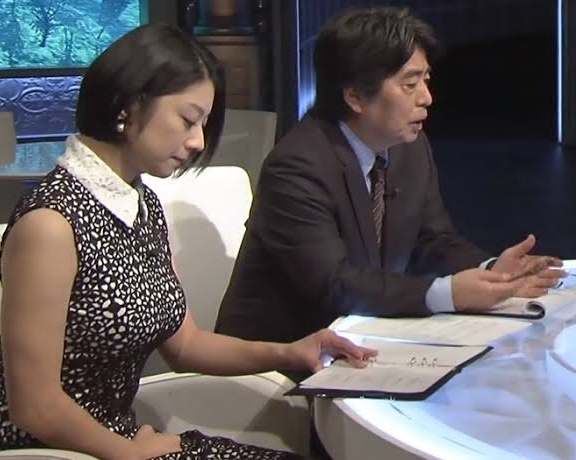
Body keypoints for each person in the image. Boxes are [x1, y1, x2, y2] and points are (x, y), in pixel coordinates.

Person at [0, 23, 377, 460]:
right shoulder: (50, 223)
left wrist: (293, 351)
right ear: (127, 103)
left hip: (121, 442)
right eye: (188, 120)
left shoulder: (141, 203)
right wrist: (130, 454)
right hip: (54, 451)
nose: (198, 141)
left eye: (203, 124)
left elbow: (185, 345)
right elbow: (35, 406)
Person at [215, 7, 565, 346]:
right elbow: (333, 283)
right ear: (355, 96)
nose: (427, 98)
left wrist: (492, 271)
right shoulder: (296, 168)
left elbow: (433, 241)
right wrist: (448, 293)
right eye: (410, 84)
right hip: (276, 361)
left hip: (362, 340)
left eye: (426, 80)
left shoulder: (408, 147)